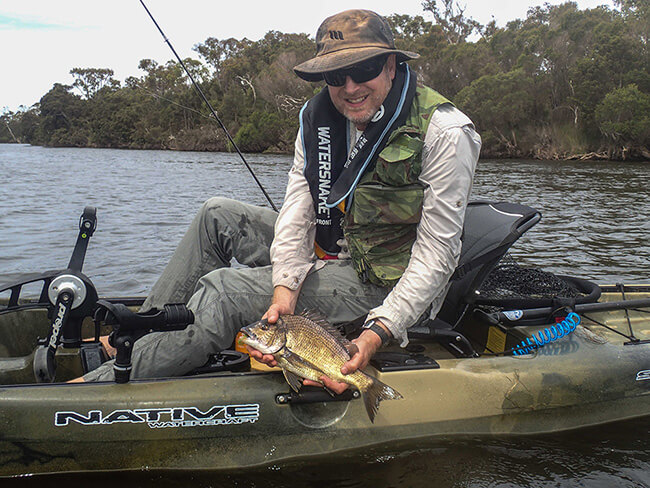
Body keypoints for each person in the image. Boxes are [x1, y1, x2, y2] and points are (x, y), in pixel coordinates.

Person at [80, 9, 481, 390]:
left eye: (364, 70)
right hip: (335, 246)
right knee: (216, 214)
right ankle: (136, 337)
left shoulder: (445, 132)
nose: (350, 87)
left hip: (383, 281)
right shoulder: (318, 117)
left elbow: (438, 252)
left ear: (391, 66)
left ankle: (98, 386)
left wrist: (378, 332)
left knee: (225, 292)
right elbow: (298, 209)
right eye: (337, 75)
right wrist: (284, 289)